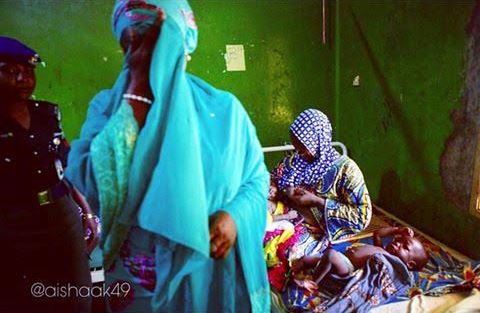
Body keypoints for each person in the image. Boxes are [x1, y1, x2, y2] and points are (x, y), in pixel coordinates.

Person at [66, 1, 270, 312]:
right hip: (138, 288)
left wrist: (233, 217)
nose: (147, 53)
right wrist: (137, 91)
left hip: (209, 278)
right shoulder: (108, 109)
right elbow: (95, 187)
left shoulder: (224, 112)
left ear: (185, 46)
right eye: (133, 42)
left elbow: (256, 179)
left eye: (159, 42)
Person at [0, 36, 97, 313]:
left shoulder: (47, 113)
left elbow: (65, 166)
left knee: (77, 297)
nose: (23, 79)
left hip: (60, 215)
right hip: (11, 223)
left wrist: (87, 213)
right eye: (11, 71)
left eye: (29, 71)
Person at [272, 109, 372, 245]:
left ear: (318, 142)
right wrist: (276, 188)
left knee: (278, 250)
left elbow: (360, 217)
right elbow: (275, 178)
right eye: (296, 148)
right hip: (285, 215)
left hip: (316, 230)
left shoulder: (346, 170)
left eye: (303, 148)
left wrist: (317, 201)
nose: (298, 154)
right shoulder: (294, 160)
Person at [291, 226, 429, 290]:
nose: (398, 243)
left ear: (409, 264)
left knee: (330, 255)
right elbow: (378, 234)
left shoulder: (388, 264)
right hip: (342, 259)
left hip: (348, 270)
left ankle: (313, 282)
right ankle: (289, 272)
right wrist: (397, 230)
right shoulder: (382, 249)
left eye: (405, 247)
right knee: (307, 259)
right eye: (400, 240)